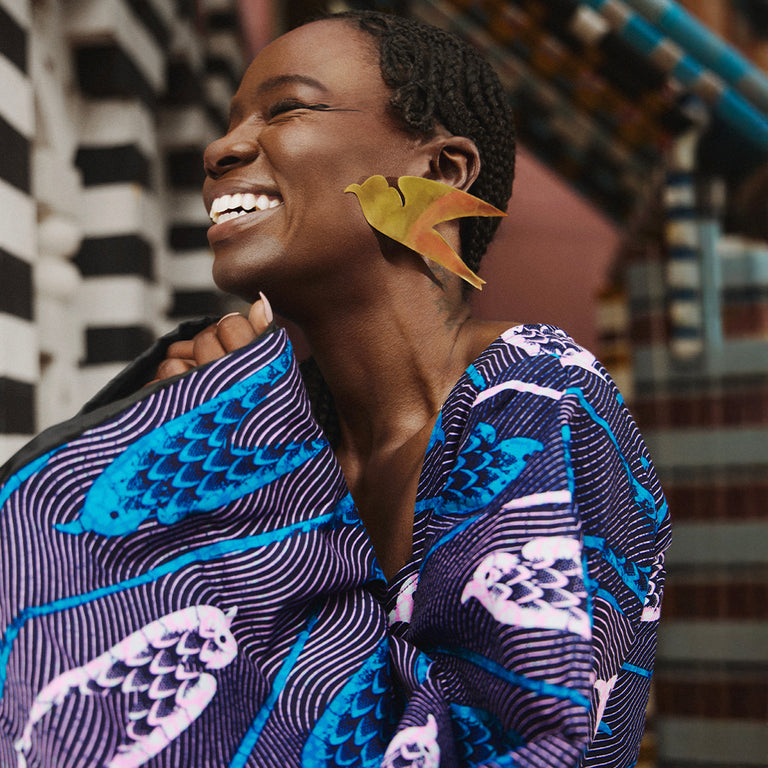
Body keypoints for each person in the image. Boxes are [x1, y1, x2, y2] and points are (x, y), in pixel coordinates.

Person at [0, 10, 669, 768]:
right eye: (229, 121)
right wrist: (195, 474)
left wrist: (264, 481)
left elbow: (528, 744)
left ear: (441, 173)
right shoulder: (264, 424)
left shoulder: (538, 403)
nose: (223, 148)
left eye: (286, 108)